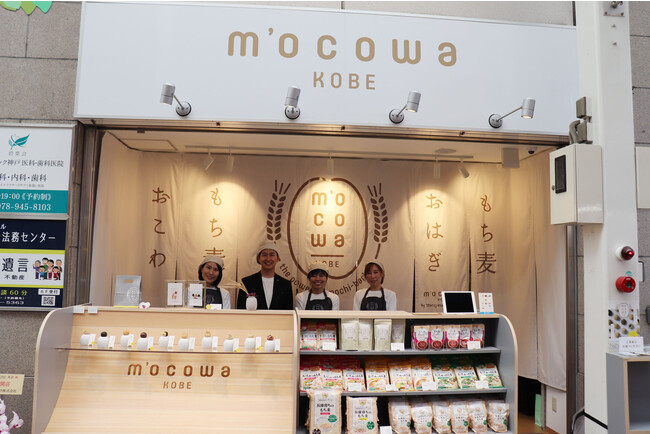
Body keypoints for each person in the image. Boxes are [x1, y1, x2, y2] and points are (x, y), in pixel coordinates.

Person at [237, 241, 293, 310]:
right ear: (258, 258)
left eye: (272, 255)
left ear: (278, 258)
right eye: (264, 255)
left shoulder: (285, 285)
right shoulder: (247, 283)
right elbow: (240, 310)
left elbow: (289, 312)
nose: (268, 259)